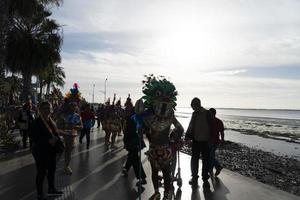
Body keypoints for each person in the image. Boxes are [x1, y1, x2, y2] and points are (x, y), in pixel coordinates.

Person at [31, 102, 63, 200]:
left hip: (51, 150)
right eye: (45, 108)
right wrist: (48, 141)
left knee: (52, 171)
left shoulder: (51, 121)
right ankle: (40, 194)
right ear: (40, 110)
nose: (47, 110)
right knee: (41, 172)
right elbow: (34, 138)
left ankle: (51, 189)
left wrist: (59, 137)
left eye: (49, 108)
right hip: (40, 151)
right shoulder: (36, 122)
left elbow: (55, 133)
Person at [185, 97, 213, 187]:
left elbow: (213, 126)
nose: (192, 108)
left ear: (197, 105)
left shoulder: (207, 113)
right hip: (196, 141)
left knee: (206, 160)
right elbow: (190, 125)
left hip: (206, 141)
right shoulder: (194, 114)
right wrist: (187, 136)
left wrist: (212, 139)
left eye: (193, 106)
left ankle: (205, 177)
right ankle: (194, 177)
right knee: (194, 160)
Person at [122, 103, 147, 186]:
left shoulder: (134, 118)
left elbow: (132, 131)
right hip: (133, 141)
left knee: (135, 159)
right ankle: (126, 168)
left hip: (133, 142)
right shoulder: (135, 117)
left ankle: (142, 178)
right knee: (132, 156)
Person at [57, 102, 82, 175]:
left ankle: (66, 166)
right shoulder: (63, 115)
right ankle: (51, 166)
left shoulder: (77, 116)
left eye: (75, 106)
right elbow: (58, 126)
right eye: (72, 106)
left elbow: (81, 126)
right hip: (63, 136)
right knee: (59, 153)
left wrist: (75, 127)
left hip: (72, 137)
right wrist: (66, 126)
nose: (74, 107)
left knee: (68, 153)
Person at [208, 108, 224, 176]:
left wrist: (222, 140)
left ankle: (218, 166)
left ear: (212, 114)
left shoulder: (209, 121)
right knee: (211, 155)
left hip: (213, 141)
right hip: (212, 141)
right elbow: (222, 132)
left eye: (209, 114)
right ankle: (211, 169)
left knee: (210, 155)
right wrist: (222, 140)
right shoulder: (218, 121)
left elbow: (222, 132)